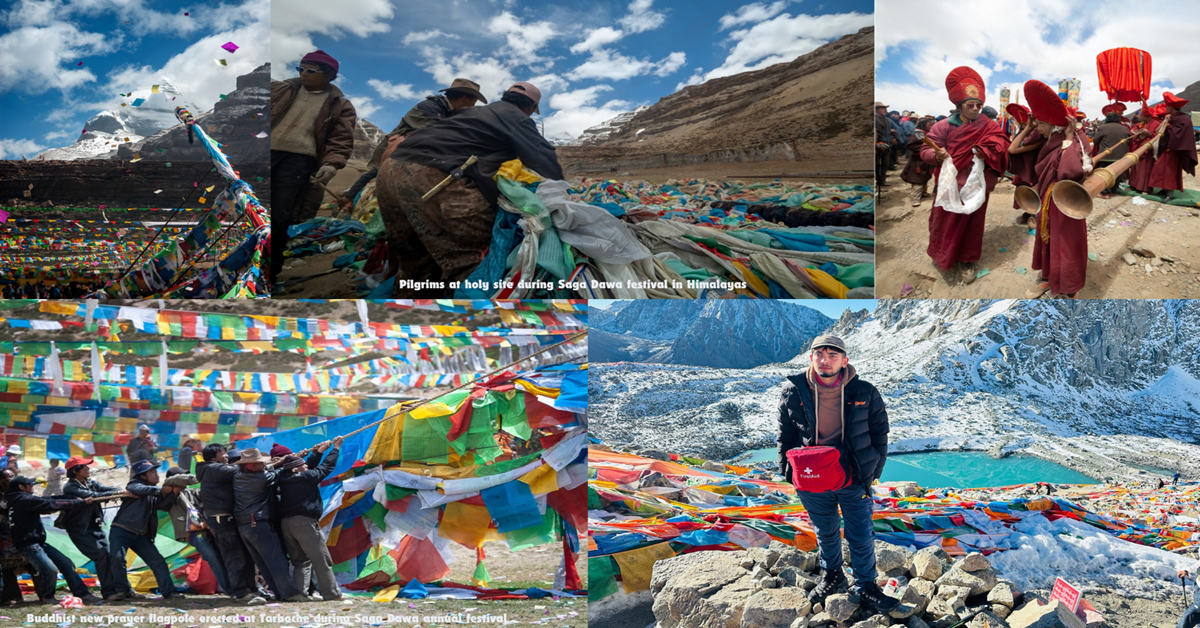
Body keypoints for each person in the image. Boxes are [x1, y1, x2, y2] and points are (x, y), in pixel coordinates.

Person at [376, 82, 564, 297]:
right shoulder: (517, 118)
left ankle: (404, 322)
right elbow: (545, 161)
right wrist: (562, 190)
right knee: (471, 262)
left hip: (390, 170)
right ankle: (465, 326)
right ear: (530, 107)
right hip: (432, 176)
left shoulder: (471, 113)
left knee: (414, 263)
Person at [777, 335, 896, 613]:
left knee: (860, 533)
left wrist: (872, 470)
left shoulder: (864, 392)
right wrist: (788, 471)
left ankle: (866, 586)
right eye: (819, 354)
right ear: (811, 358)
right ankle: (832, 576)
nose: (825, 360)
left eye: (833, 355)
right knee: (825, 530)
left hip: (853, 476)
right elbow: (786, 435)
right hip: (810, 476)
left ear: (845, 360)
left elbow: (880, 432)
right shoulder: (793, 392)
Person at [269, 50, 357, 285]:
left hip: (298, 162)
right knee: (245, 207)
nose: (303, 74)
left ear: (329, 75)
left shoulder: (340, 105)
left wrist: (331, 164)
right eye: (300, 69)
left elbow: (341, 139)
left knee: (278, 217)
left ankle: (268, 274)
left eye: (310, 71)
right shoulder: (280, 89)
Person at [341, 78, 488, 209]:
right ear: (465, 98)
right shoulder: (430, 107)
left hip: (415, 151)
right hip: (398, 149)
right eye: (474, 101)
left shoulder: (448, 111)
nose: (474, 106)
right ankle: (348, 197)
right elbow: (439, 135)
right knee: (376, 172)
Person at [920, 67, 1009, 284]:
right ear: (959, 106)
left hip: (977, 183)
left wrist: (986, 150)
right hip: (951, 183)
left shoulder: (988, 124)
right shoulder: (943, 126)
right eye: (971, 105)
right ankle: (942, 255)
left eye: (979, 105)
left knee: (972, 224)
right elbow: (925, 151)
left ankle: (967, 260)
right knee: (945, 220)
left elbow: (1002, 143)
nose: (976, 109)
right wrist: (937, 156)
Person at [1023, 79, 1090, 299]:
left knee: (1066, 241)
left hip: (1066, 200)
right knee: (1048, 237)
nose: (1039, 127)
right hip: (1047, 198)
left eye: (1042, 123)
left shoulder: (1077, 140)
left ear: (1054, 126)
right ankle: (1048, 277)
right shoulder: (1050, 139)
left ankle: (1068, 286)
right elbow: (1014, 149)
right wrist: (1031, 127)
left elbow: (1068, 173)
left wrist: (1069, 138)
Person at [7, 475, 103, 604]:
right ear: (21, 487)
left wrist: (70, 498)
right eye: (29, 484)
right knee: (50, 570)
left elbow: (48, 499)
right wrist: (80, 502)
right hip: (28, 545)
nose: (32, 486)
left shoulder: (19, 499)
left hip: (38, 543)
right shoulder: (24, 500)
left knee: (66, 563)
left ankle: (82, 593)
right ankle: (48, 597)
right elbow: (51, 503)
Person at [233, 448, 307, 602]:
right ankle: (290, 593)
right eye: (260, 463)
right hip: (257, 523)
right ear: (251, 466)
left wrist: (285, 459)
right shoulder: (260, 479)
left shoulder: (238, 475)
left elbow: (269, 469)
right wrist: (291, 461)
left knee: (264, 562)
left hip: (245, 525)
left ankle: (280, 593)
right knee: (276, 559)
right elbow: (278, 474)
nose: (264, 465)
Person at [277, 437, 342, 601]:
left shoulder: (284, 477)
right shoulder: (305, 478)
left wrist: (319, 452)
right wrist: (335, 449)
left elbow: (309, 467)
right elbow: (325, 468)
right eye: (302, 465)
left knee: (300, 561)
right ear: (295, 470)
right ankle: (331, 593)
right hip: (304, 523)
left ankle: (299, 593)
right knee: (321, 559)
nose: (306, 465)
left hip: (286, 524)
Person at [195, 443, 261, 603]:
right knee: (234, 556)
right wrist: (271, 464)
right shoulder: (214, 469)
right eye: (222, 453)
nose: (226, 456)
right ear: (213, 457)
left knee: (243, 555)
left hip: (226, 517)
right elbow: (242, 470)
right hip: (221, 518)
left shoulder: (212, 468)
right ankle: (241, 592)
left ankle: (251, 589)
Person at [108, 459, 181, 600]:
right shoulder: (135, 485)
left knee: (158, 561)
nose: (156, 474)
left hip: (142, 535)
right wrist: (161, 490)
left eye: (155, 471)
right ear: (142, 476)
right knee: (117, 559)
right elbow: (137, 489)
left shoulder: (153, 492)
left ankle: (169, 592)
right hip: (122, 530)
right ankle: (124, 591)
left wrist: (173, 494)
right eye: (152, 472)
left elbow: (162, 506)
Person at [163, 467, 240, 599]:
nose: (186, 478)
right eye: (182, 476)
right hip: (193, 533)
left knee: (222, 556)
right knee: (212, 557)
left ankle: (236, 586)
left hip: (206, 529)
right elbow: (171, 480)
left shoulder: (190, 492)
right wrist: (201, 477)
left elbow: (205, 494)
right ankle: (230, 590)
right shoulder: (168, 494)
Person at [60, 456, 127, 600]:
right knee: (101, 556)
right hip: (80, 530)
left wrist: (120, 490)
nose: (88, 468)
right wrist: (117, 493)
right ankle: (109, 592)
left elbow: (104, 489)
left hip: (95, 527)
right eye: (84, 466)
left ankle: (119, 589)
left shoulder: (88, 482)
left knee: (110, 556)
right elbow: (94, 495)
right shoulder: (71, 487)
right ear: (76, 470)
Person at [1148, 92, 1197, 201]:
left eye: (1167, 106)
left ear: (1171, 107)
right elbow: (1158, 131)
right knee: (1159, 168)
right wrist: (1166, 121)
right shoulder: (1169, 117)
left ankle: (1170, 193)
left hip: (1175, 150)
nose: (1165, 108)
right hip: (1166, 148)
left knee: (1170, 171)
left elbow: (1180, 134)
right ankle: (1164, 189)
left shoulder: (1184, 119)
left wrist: (1169, 126)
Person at [1091, 111, 1131, 198]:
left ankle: (1104, 193)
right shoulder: (1125, 129)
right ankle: (1113, 191)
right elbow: (1129, 142)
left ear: (1107, 119)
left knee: (1104, 174)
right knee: (1116, 174)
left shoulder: (1103, 128)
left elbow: (1095, 141)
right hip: (1120, 157)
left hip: (1105, 156)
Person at [900, 118, 936, 207]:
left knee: (925, 176)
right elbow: (910, 145)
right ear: (924, 125)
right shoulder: (919, 134)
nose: (932, 126)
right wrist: (925, 149)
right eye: (929, 125)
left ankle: (923, 193)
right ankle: (915, 198)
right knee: (917, 178)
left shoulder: (926, 134)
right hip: (918, 161)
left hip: (925, 160)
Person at [874, 102, 893, 190]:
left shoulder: (888, 120)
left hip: (886, 144)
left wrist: (892, 139)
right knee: (876, 164)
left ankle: (882, 180)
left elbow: (888, 132)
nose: (885, 110)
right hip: (877, 145)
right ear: (877, 109)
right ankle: (875, 181)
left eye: (885, 108)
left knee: (885, 163)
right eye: (882, 108)